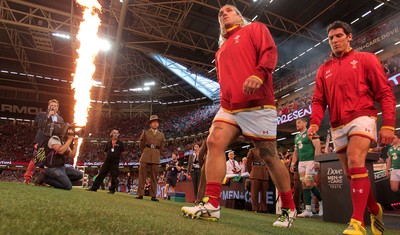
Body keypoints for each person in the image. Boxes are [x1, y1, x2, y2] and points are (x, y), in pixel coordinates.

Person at [181, 4, 296, 227]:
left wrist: (259, 74)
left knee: (268, 155)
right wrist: (225, 104)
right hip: (230, 107)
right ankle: (212, 204)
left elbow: (269, 52)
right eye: (220, 13)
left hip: (257, 104)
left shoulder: (254, 29)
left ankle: (290, 207)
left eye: (229, 10)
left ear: (239, 16)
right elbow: (224, 83)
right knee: (213, 141)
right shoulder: (220, 51)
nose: (224, 13)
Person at [308, 20, 395, 235]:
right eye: (331, 38)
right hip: (337, 125)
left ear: (349, 36)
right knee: (350, 173)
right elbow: (319, 101)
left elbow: (384, 92)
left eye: (339, 36)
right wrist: (315, 121)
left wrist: (390, 125)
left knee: (356, 160)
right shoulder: (323, 70)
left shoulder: (366, 59)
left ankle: (356, 222)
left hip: (362, 117)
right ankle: (375, 209)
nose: (335, 41)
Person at [23, 99, 64, 185]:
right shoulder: (41, 114)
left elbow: (61, 130)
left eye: (55, 106)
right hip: (42, 140)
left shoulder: (60, 119)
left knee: (47, 161)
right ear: (48, 106)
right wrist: (48, 116)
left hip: (53, 142)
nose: (53, 107)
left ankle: (42, 180)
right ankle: (27, 178)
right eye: (51, 105)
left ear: (57, 108)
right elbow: (36, 123)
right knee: (36, 158)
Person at [290, 118, 323, 218]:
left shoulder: (310, 132)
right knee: (304, 184)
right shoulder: (296, 136)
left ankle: (321, 201)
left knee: (309, 183)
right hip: (301, 162)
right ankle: (308, 210)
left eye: (299, 122)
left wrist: (317, 161)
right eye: (296, 123)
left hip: (311, 160)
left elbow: (317, 146)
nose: (297, 124)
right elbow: (296, 152)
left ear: (305, 123)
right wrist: (292, 163)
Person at [136, 115, 165, 202]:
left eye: (157, 122)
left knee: (154, 177)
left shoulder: (162, 135)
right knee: (142, 176)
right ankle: (140, 194)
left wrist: (156, 152)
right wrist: (145, 151)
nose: (155, 124)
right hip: (146, 154)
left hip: (155, 155)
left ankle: (153, 196)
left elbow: (162, 147)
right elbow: (141, 145)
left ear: (158, 124)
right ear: (150, 124)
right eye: (153, 122)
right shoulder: (145, 133)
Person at [87, 129, 125, 194]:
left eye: (117, 133)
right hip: (107, 160)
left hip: (115, 161)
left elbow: (123, 152)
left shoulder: (120, 143)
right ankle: (94, 188)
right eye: (114, 133)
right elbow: (105, 152)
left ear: (118, 135)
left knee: (114, 175)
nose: (115, 134)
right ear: (111, 134)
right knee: (101, 173)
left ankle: (112, 190)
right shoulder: (108, 143)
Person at [246, 148, 269, 213]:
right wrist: (251, 171)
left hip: (265, 173)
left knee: (264, 193)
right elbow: (248, 162)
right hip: (255, 172)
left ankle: (263, 209)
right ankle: (255, 208)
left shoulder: (266, 150)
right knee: (254, 193)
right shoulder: (252, 150)